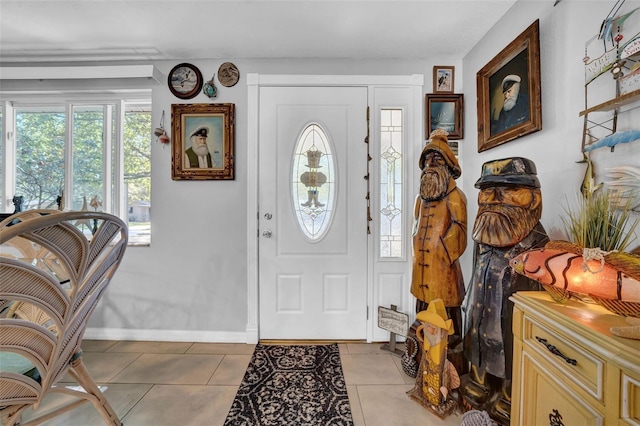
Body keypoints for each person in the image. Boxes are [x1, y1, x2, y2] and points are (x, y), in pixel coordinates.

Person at [461, 157, 549, 425]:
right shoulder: (483, 235)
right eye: (489, 191)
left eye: (509, 191)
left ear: (533, 198)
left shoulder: (536, 241)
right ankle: (480, 382)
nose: (496, 199)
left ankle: (509, 395)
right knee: (478, 341)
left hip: (511, 310)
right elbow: (476, 265)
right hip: (480, 303)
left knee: (508, 349)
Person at [411, 129, 467, 338]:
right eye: (427, 160)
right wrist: (415, 248)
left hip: (442, 267)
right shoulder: (421, 198)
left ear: (448, 166)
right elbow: (415, 225)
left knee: (446, 306)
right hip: (421, 264)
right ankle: (421, 339)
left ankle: (448, 344)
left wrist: (443, 252)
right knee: (422, 302)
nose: (431, 164)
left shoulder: (455, 197)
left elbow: (459, 227)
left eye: (437, 159)